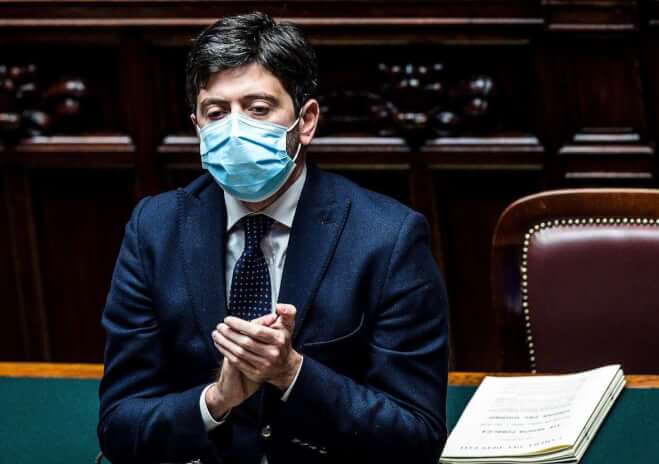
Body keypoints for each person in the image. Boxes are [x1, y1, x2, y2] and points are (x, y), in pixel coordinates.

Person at [98, 11, 449, 464]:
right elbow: (119, 426)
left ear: (306, 121)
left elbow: (418, 436)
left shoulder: (387, 238)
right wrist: (215, 401)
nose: (235, 129)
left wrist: (291, 373)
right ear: (197, 127)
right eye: (216, 113)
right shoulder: (155, 229)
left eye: (258, 109)